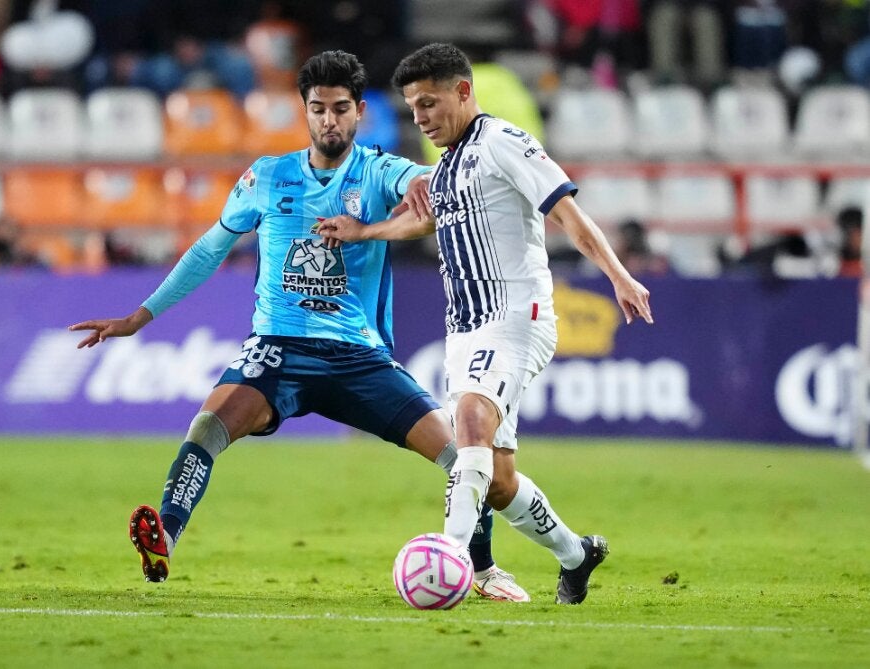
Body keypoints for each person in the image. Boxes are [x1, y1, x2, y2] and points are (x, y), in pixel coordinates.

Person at [69, 50, 530, 602]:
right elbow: (208, 249)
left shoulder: (381, 171)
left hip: (359, 358)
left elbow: (426, 190)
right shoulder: (266, 177)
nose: (329, 121)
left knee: (461, 455)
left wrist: (420, 187)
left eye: (340, 109)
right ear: (304, 112)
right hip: (277, 349)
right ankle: (165, 535)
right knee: (206, 430)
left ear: (359, 111)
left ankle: (481, 569)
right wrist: (138, 318)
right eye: (318, 109)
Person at [317, 43, 654, 605]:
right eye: (413, 107)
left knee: (468, 422)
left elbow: (565, 210)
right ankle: (577, 554)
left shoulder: (503, 142)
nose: (420, 118)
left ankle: (451, 562)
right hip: (466, 328)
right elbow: (424, 224)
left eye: (429, 103)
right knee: (496, 481)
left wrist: (619, 275)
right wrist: (364, 231)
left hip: (517, 316)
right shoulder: (446, 166)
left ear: (464, 92)